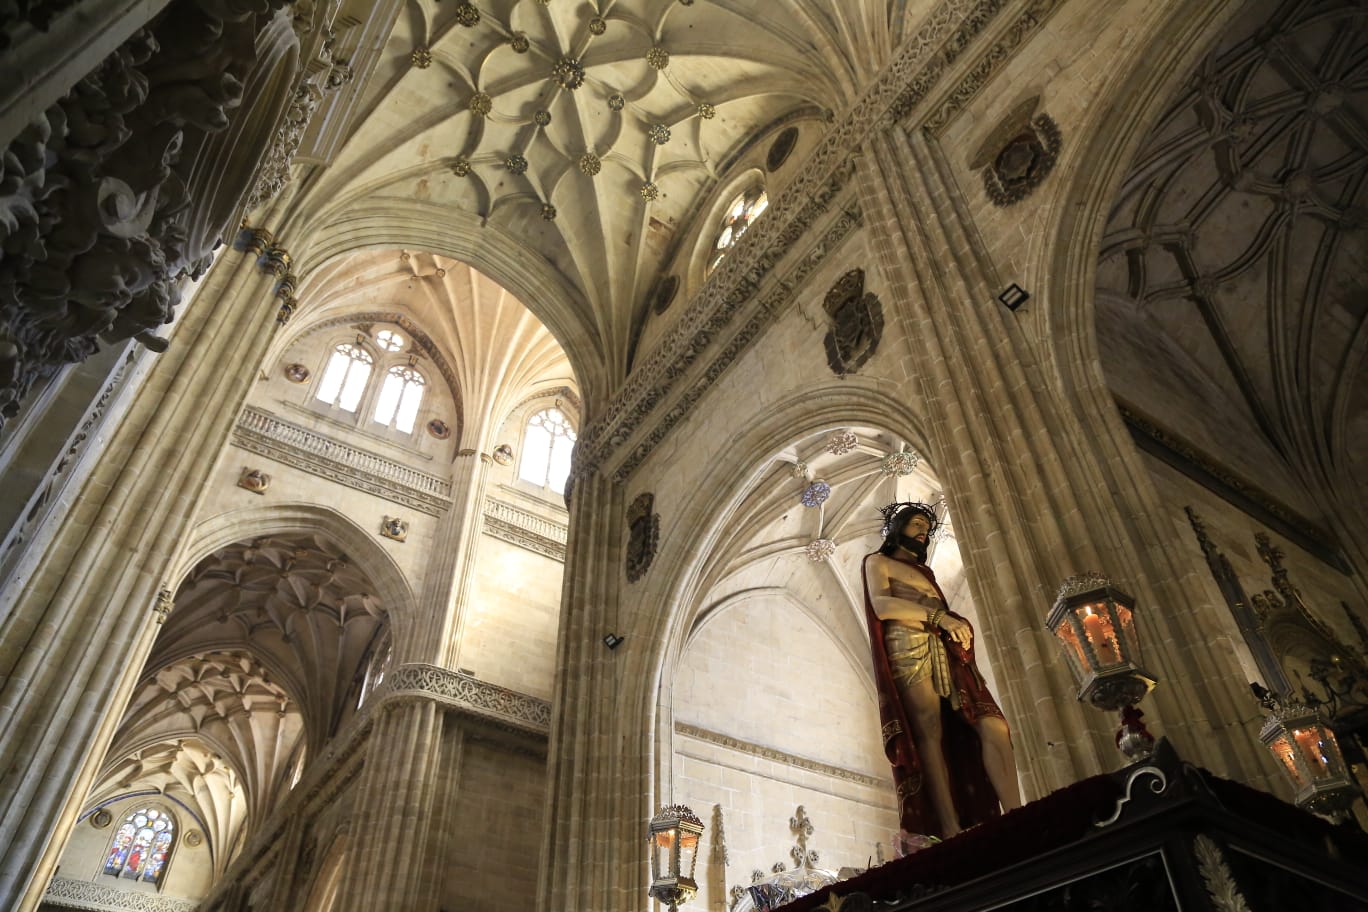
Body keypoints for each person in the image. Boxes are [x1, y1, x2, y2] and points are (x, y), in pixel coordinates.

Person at [862, 502, 1022, 842]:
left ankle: (1018, 814)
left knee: (993, 724)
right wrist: (938, 618)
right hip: (907, 644)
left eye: (927, 527)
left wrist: (947, 624)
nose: (923, 531)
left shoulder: (927, 574)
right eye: (917, 523)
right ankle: (949, 829)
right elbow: (883, 605)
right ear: (898, 528)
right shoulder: (877, 562)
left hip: (946, 646)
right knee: (930, 732)